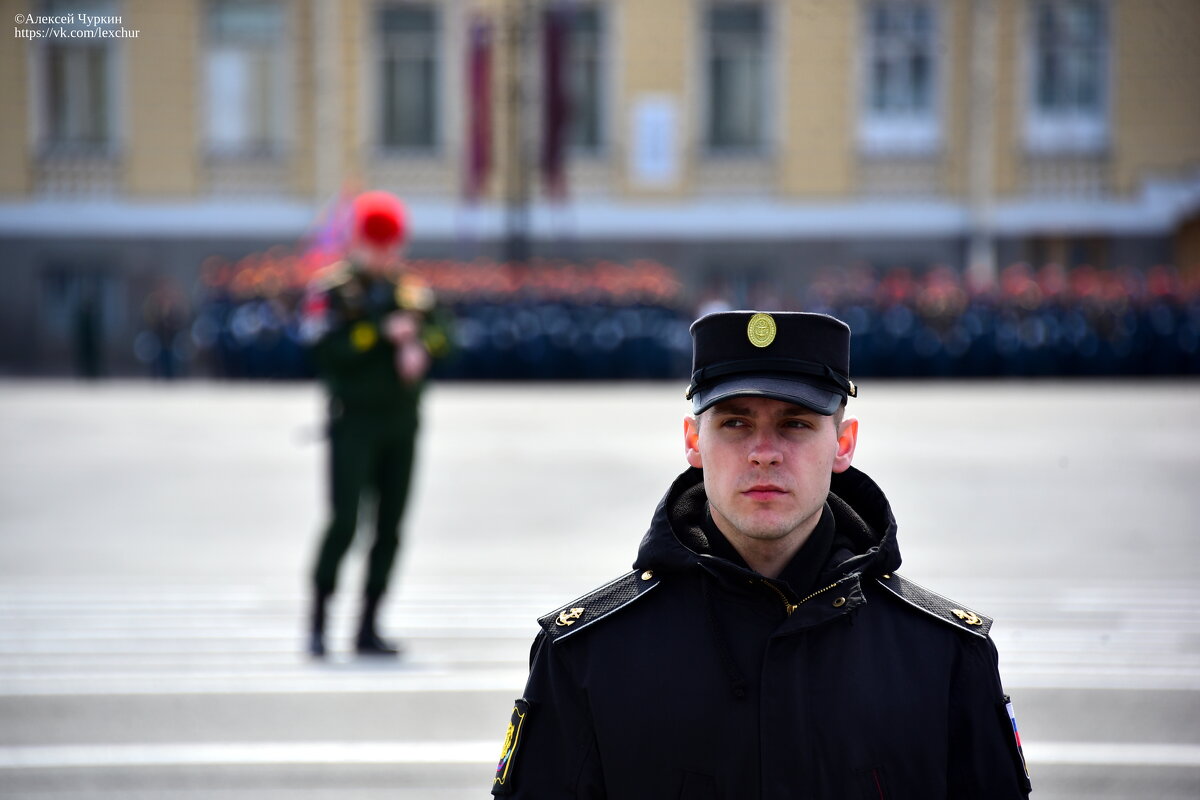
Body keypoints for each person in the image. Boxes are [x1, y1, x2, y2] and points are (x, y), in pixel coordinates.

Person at [491, 310, 1032, 797]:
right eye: (735, 423)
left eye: (795, 423)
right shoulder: (589, 655)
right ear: (693, 440)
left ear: (843, 443)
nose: (765, 452)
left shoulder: (942, 655)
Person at [302, 190, 452, 657]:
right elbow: (327, 353)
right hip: (354, 423)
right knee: (345, 521)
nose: (385, 254)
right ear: (358, 242)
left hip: (401, 423)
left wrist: (422, 345)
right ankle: (319, 623)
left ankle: (368, 625)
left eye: (392, 244)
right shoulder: (334, 292)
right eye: (376, 243)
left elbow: (449, 338)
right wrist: (377, 334)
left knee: (390, 526)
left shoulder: (412, 292)